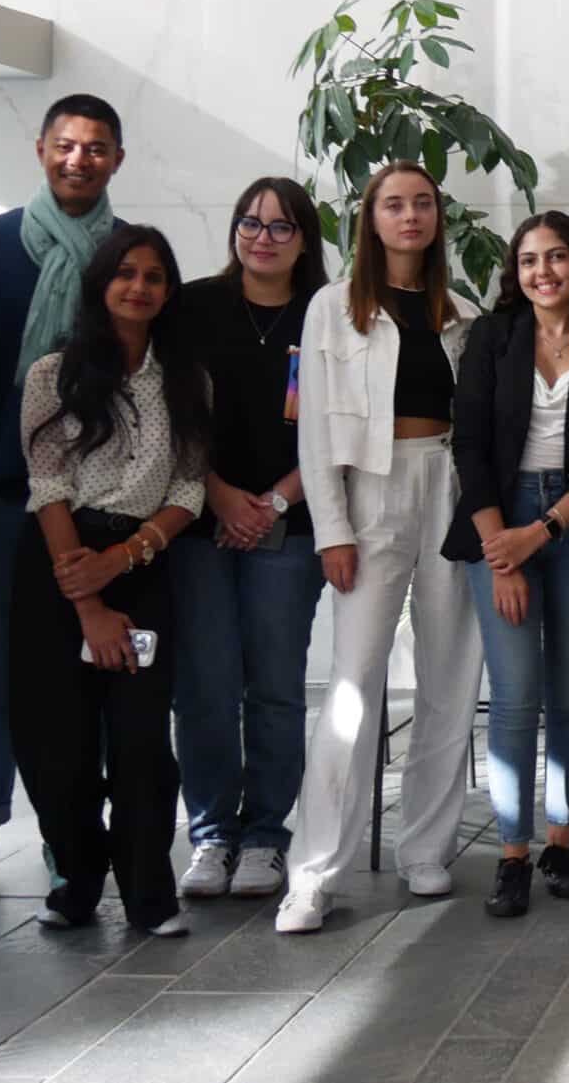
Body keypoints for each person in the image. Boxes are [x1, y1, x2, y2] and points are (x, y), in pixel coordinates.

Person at [276, 162, 486, 933]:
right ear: (370, 218)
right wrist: (332, 528)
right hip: (370, 491)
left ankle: (426, 847)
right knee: (353, 685)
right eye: (394, 204)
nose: (410, 215)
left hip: (448, 484)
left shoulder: (461, 312)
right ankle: (314, 872)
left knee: (451, 675)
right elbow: (315, 428)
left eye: (422, 203)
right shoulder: (334, 309)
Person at [0, 93, 125, 898]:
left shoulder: (129, 254)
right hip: (3, 494)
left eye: (96, 147)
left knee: (88, 673)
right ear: (41, 148)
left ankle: (68, 828)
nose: (80, 159)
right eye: (66, 144)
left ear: (117, 159)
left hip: (101, 497)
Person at [12, 225, 207, 936]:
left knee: (141, 741)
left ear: (168, 292)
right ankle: (77, 877)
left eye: (153, 276)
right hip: (59, 564)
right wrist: (89, 602)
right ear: (100, 284)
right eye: (125, 273)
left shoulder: (186, 378)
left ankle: (150, 892)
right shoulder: (52, 375)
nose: (138, 287)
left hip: (143, 565)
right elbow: (47, 487)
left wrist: (126, 557)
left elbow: (188, 488)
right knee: (55, 745)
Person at [447, 212, 569, 920]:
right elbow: (468, 445)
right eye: (529, 260)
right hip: (500, 517)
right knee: (516, 693)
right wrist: (503, 551)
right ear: (515, 272)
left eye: (556, 257)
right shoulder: (491, 338)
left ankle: (560, 842)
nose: (543, 271)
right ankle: (512, 854)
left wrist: (545, 529)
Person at [168, 179, 329, 901]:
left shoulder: (327, 312)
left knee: (275, 687)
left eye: (280, 226)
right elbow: (166, 411)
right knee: (204, 686)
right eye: (250, 223)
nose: (262, 238)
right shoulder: (194, 306)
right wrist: (218, 493)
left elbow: (340, 424)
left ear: (305, 239)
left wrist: (273, 501)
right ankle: (210, 834)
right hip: (197, 520)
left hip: (289, 523)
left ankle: (265, 834)